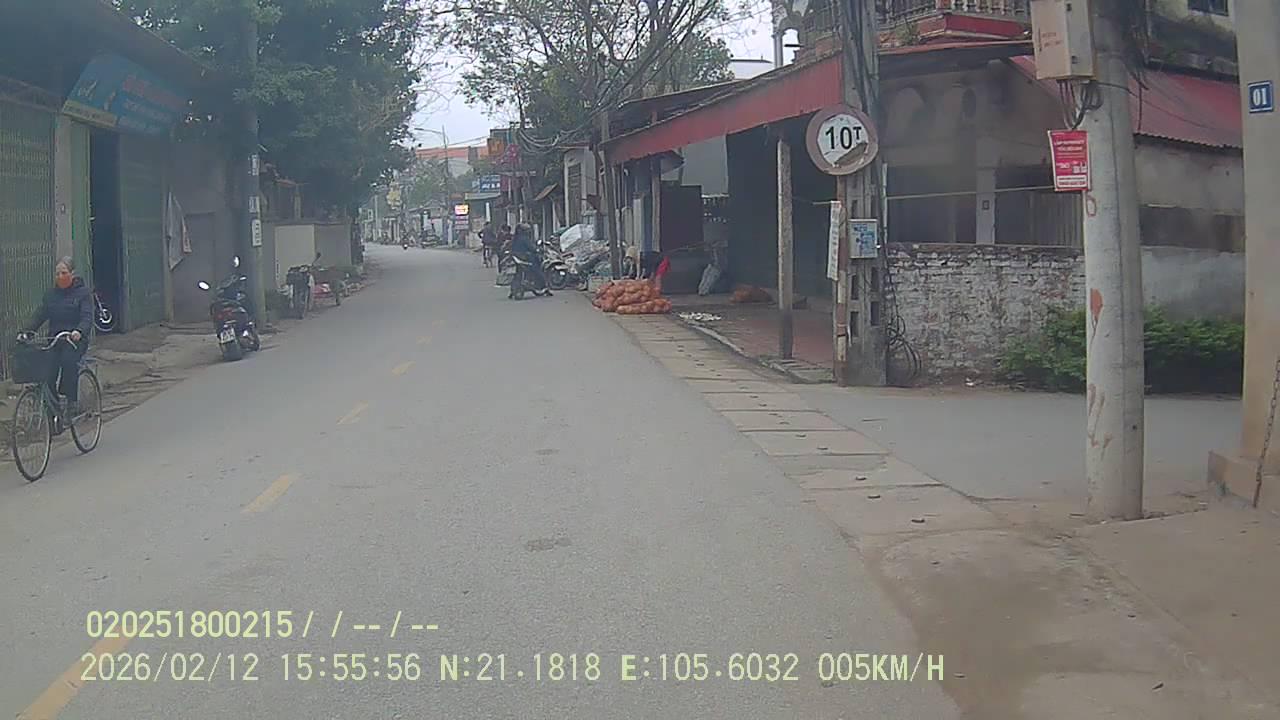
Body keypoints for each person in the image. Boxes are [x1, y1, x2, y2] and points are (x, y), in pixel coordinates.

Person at [22, 257, 93, 414]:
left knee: (68, 360)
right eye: (57, 274)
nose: (60, 277)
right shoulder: (51, 295)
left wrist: (79, 331)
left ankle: (71, 400)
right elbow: (39, 316)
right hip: (54, 340)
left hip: (74, 340)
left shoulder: (83, 293)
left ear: (72, 274)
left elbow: (87, 317)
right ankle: (54, 414)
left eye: (64, 273)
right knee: (47, 373)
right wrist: (26, 332)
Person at [509, 222, 551, 298]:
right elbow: (532, 248)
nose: (528, 232)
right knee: (538, 271)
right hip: (526, 259)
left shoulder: (516, 238)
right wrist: (538, 250)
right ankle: (543, 287)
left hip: (518, 259)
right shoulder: (524, 239)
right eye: (527, 230)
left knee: (519, 274)